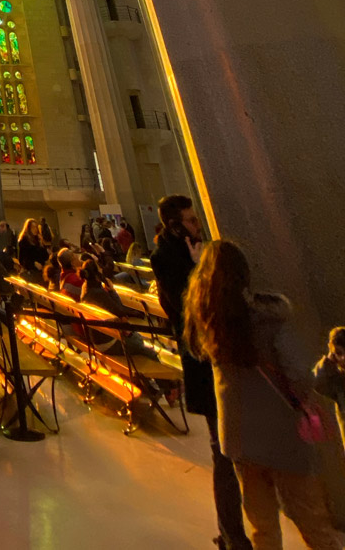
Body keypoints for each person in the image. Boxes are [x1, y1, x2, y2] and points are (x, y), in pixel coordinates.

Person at [184, 240, 338, 550]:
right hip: (283, 435)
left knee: (262, 526)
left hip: (239, 437)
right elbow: (298, 375)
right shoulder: (269, 319)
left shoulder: (206, 321)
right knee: (312, 520)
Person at [151, 195, 250, 550]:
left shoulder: (187, 252)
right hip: (203, 361)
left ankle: (238, 529)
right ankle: (232, 533)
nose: (198, 226)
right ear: (175, 224)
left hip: (219, 361)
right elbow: (186, 310)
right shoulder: (167, 259)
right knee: (222, 450)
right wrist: (197, 269)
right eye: (192, 221)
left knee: (232, 448)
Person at [313, 327, 345, 445]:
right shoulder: (339, 383)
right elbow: (318, 384)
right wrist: (329, 361)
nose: (343, 358)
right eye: (339, 353)